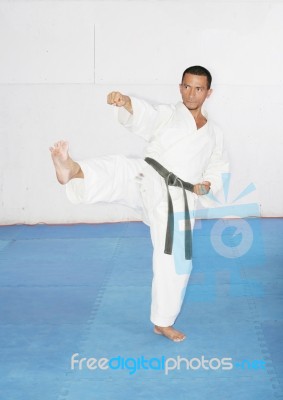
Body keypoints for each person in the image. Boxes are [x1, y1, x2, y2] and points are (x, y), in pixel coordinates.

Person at [50, 66, 229, 342]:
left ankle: (163, 321)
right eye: (187, 86)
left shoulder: (214, 134)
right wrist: (127, 102)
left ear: (209, 92)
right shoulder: (169, 114)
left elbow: (218, 166)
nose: (191, 93)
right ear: (180, 87)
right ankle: (72, 170)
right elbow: (147, 114)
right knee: (120, 170)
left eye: (199, 88)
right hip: (150, 176)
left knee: (176, 260)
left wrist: (209, 182)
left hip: (179, 199)